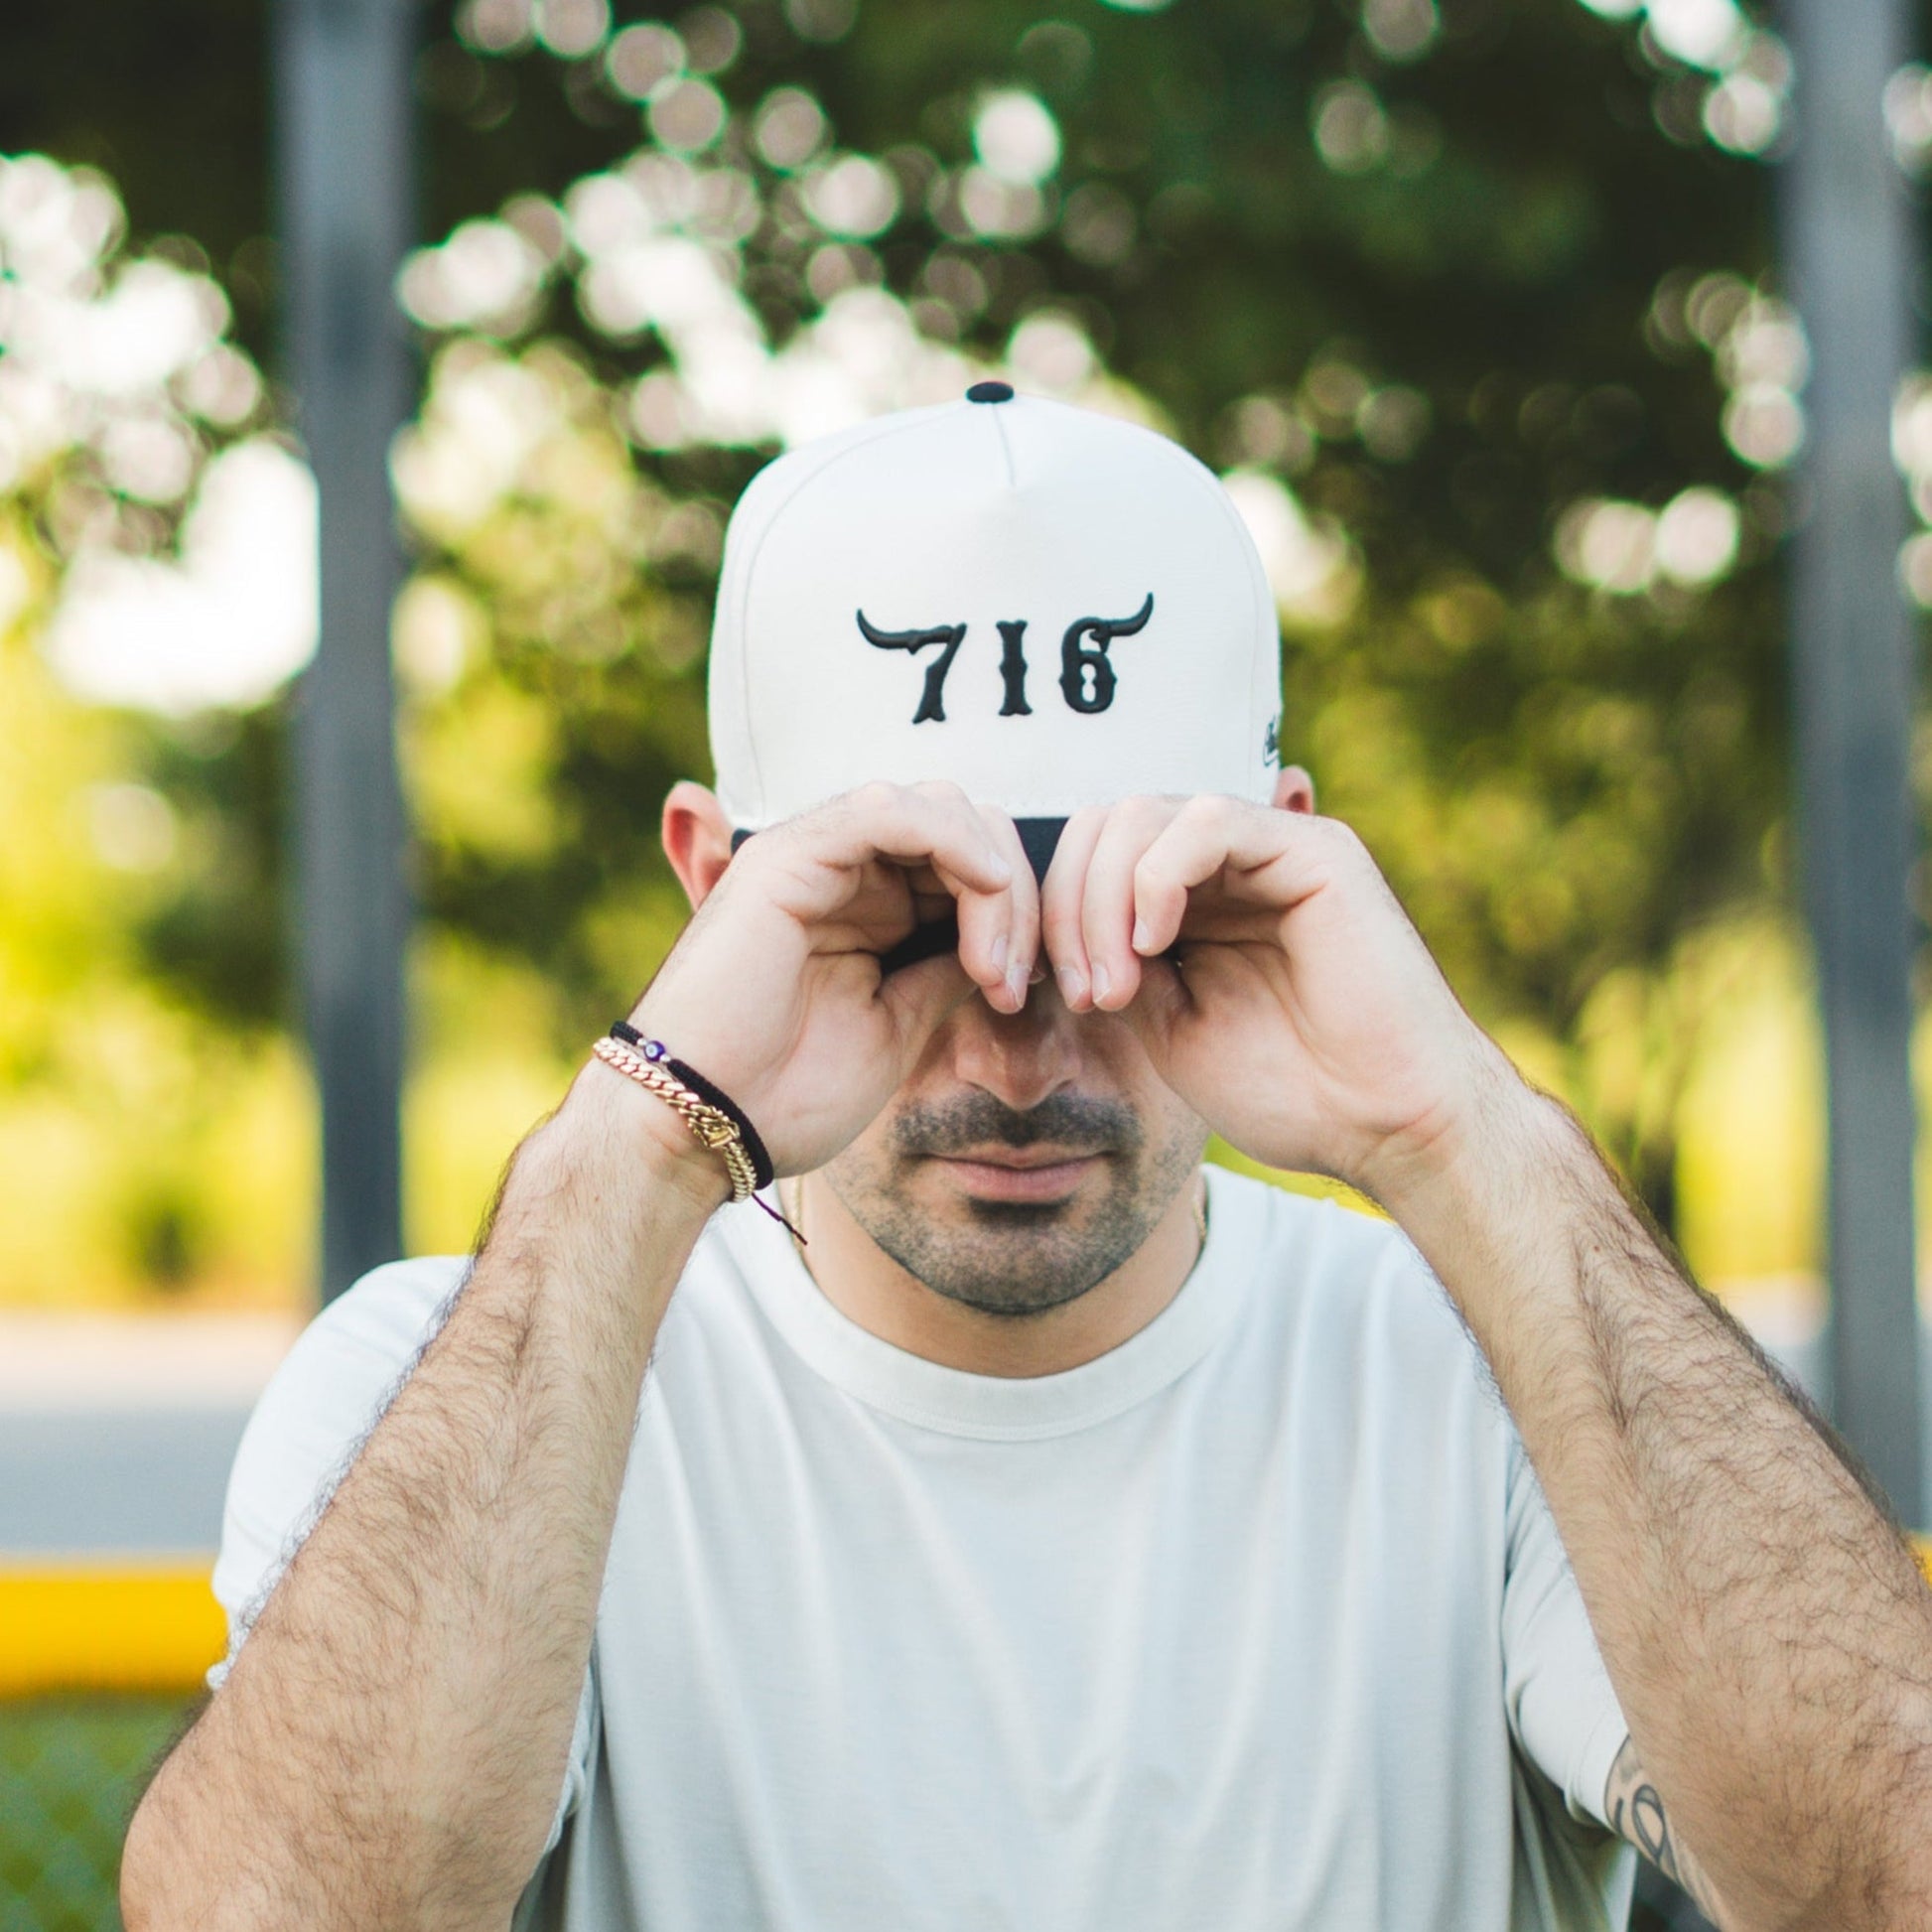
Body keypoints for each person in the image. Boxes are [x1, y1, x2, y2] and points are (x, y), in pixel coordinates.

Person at [123, 387, 1932, 1932]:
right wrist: (638, 1133)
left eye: (1132, 914)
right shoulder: (454, 1382)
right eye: (904, 912)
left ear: (1282, 864)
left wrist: (1462, 1132)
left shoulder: (1496, 1374)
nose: (1018, 1036)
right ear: (714, 884)